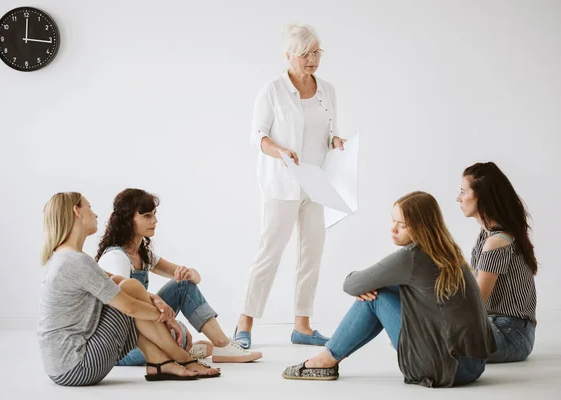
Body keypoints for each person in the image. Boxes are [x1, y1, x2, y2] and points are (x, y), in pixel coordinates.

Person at [282, 191, 496, 388]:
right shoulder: (448, 252)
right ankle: (329, 357)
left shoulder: (411, 257)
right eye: (393, 221)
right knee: (387, 289)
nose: (392, 229)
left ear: (421, 227)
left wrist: (371, 286)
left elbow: (351, 284)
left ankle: (325, 360)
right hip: (473, 365)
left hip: (446, 369)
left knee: (376, 297)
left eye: (401, 225)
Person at [235, 23, 347, 349]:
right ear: (289, 56)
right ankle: (244, 323)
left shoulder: (328, 90)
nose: (312, 59)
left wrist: (336, 140)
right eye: (305, 54)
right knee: (269, 253)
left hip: (316, 183)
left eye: (316, 52)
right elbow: (257, 135)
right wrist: (280, 151)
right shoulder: (272, 90)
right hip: (281, 184)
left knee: (311, 254)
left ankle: (303, 325)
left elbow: (328, 132)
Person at [37, 192, 221, 386]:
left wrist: (156, 301)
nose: (95, 214)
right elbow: (130, 308)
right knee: (131, 292)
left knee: (130, 286)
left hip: (61, 368)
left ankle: (160, 362)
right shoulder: (77, 261)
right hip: (79, 367)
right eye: (89, 207)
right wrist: (167, 317)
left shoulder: (65, 257)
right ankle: (183, 358)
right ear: (77, 211)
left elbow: (114, 280)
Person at [96, 188, 262, 365]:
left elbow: (192, 280)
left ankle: (221, 345)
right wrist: (172, 322)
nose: (155, 220)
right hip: (123, 347)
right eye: (146, 216)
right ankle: (192, 348)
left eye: (154, 214)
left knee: (182, 285)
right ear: (128, 220)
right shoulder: (116, 257)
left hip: (142, 332)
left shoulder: (143, 255)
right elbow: (125, 311)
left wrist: (188, 273)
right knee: (178, 336)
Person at [457, 162, 537, 363]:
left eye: (463, 191)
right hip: (501, 328)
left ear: (481, 197)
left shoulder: (497, 241)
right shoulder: (487, 236)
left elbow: (476, 302)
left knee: (431, 336)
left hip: (510, 334)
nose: (458, 198)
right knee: (429, 333)